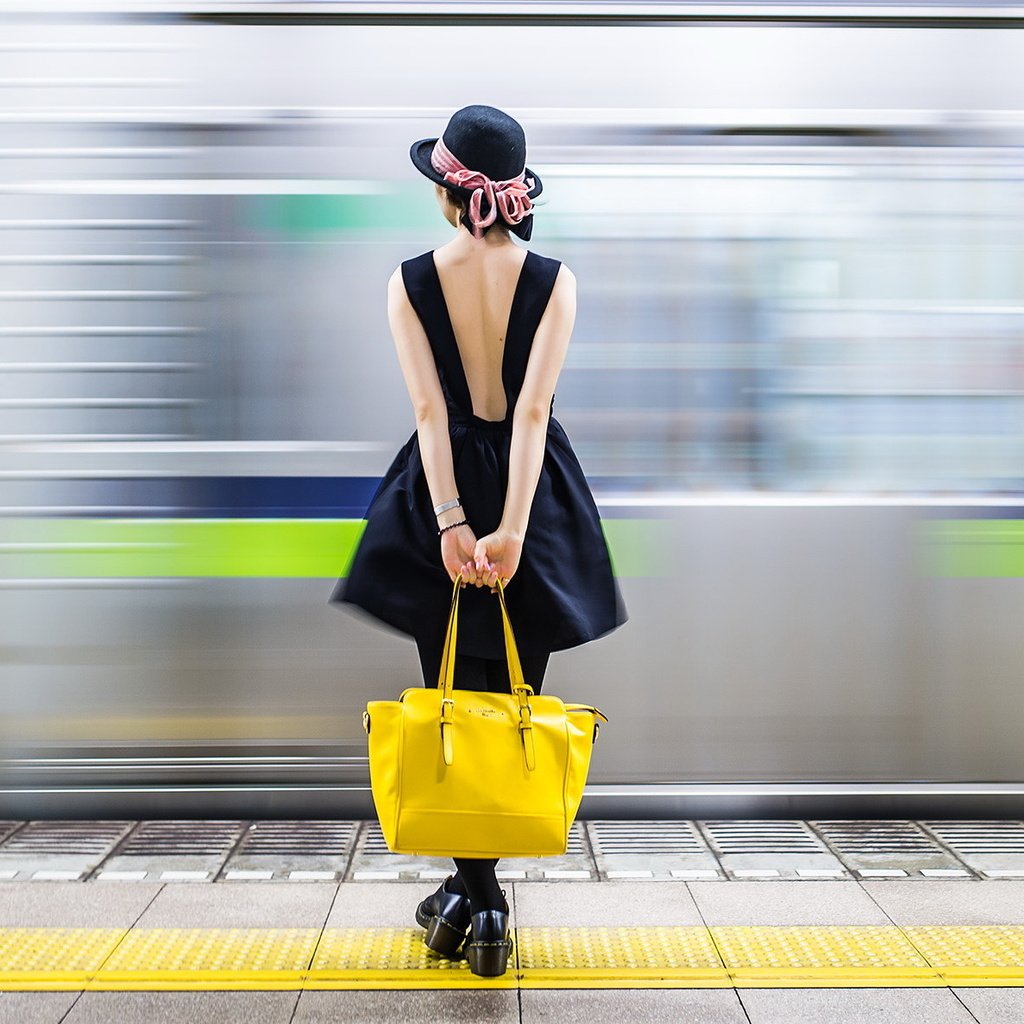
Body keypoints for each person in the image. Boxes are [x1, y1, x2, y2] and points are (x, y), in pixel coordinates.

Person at [328, 104, 628, 977]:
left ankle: (474, 896)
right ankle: (477, 899)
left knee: (453, 691)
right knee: (515, 692)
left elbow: (430, 412)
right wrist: (513, 531)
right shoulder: (556, 279)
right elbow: (531, 412)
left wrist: (456, 520)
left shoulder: (410, 280)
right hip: (536, 496)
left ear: (447, 191)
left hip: (440, 492)